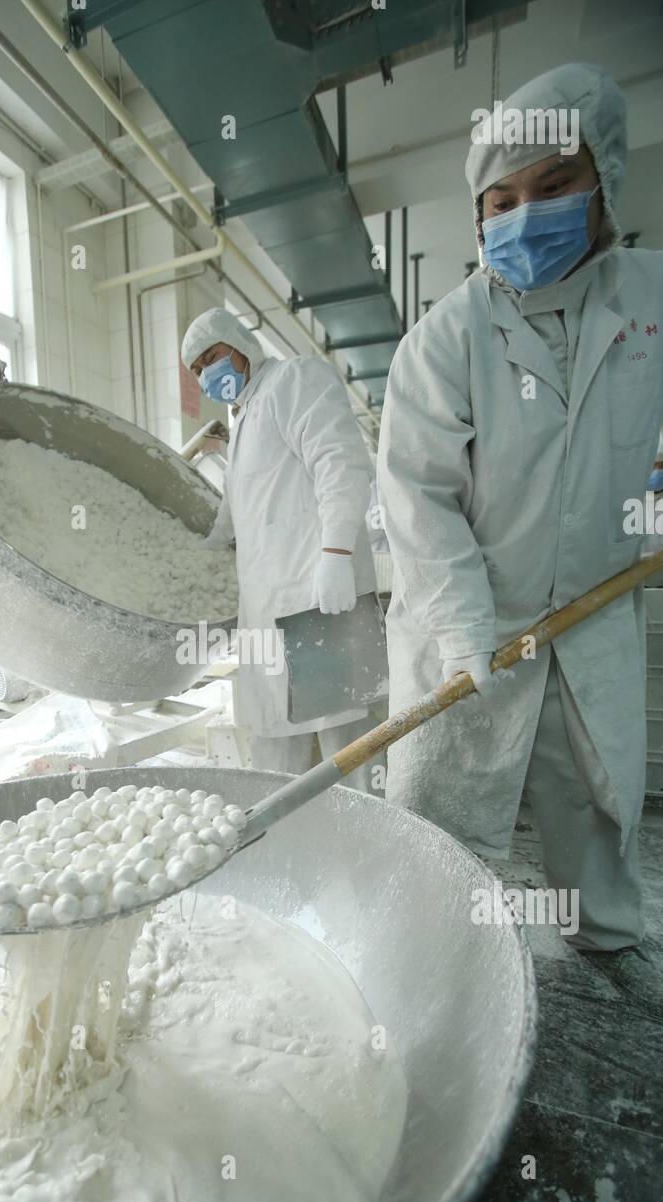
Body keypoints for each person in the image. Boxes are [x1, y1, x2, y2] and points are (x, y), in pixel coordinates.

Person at [377, 64, 663, 952]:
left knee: (597, 808)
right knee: (436, 823)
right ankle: (431, 963)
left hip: (591, 617)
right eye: (500, 200)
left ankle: (610, 956)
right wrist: (466, 634)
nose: (522, 214)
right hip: (465, 629)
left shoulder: (651, 301)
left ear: (604, 179)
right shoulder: (445, 339)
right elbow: (417, 500)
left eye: (552, 186)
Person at [180, 307, 388, 793]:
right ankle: (289, 851)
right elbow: (229, 522)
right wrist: (192, 554)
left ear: (240, 343)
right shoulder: (244, 422)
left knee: (352, 749)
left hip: (320, 603)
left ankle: (370, 854)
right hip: (270, 616)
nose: (209, 374)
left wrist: (336, 554)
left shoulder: (293, 380)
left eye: (212, 357)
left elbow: (341, 462)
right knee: (276, 755)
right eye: (197, 371)